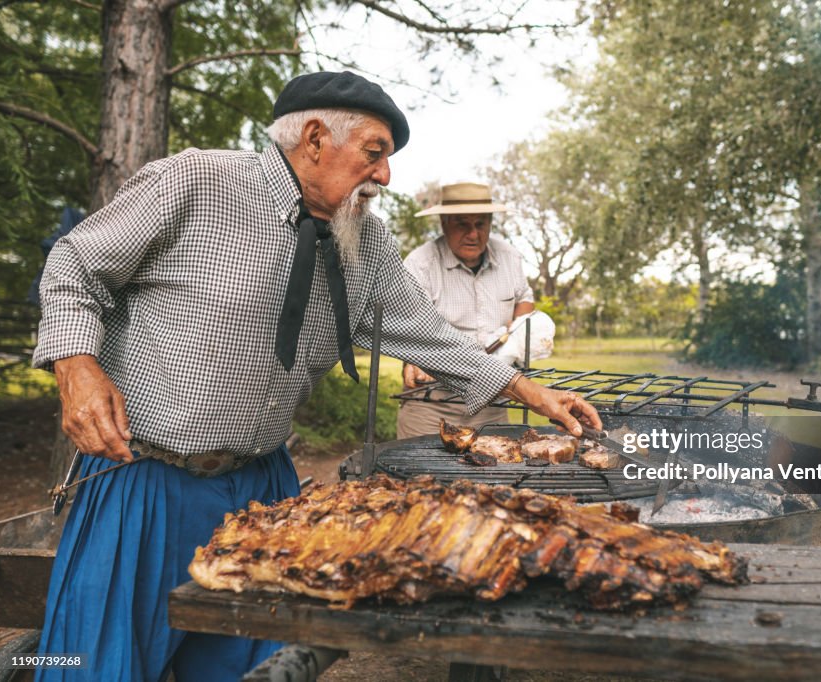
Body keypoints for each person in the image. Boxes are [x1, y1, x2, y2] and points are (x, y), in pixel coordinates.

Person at [32, 71, 601, 682]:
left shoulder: (366, 241)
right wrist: (77, 364)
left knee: (262, 669)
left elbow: (428, 332)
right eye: (375, 153)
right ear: (313, 138)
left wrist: (527, 389)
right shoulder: (198, 181)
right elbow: (75, 262)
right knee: (95, 668)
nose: (385, 176)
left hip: (261, 489)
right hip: (143, 482)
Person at [396, 183, 536, 438]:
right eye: (462, 224)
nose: (473, 234)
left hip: (493, 398)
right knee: (418, 476)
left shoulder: (509, 257)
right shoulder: (420, 264)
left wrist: (515, 339)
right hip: (430, 402)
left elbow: (524, 300)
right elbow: (406, 325)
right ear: (444, 223)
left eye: (480, 224)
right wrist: (412, 363)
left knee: (498, 470)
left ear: (490, 223)